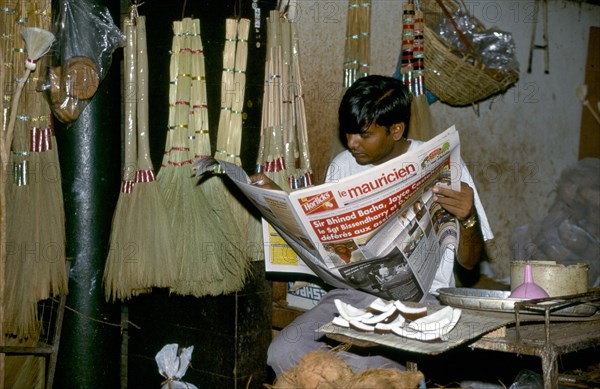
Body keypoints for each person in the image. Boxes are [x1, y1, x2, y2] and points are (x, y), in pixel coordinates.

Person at [252, 75, 493, 377]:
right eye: (349, 133)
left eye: (364, 135)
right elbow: (329, 244)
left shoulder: (444, 166)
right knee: (283, 351)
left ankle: (381, 377)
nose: (352, 143)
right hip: (353, 296)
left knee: (375, 371)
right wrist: (279, 202)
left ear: (396, 130)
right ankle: (374, 376)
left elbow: (469, 263)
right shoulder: (343, 164)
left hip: (423, 301)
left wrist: (468, 218)